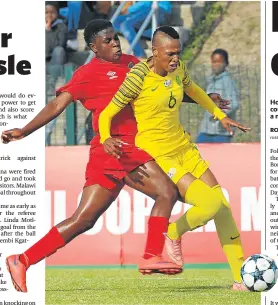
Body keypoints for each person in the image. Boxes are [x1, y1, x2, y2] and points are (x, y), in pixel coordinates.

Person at [2, 19, 183, 293]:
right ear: (93, 47)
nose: (115, 43)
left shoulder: (134, 64)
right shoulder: (87, 73)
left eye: (116, 38)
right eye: (108, 40)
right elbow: (58, 104)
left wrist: (202, 98)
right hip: (116, 149)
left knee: (83, 220)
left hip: (116, 151)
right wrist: (25, 131)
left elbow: (163, 89)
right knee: (167, 192)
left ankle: (22, 260)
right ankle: (151, 255)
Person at [98, 26, 251, 291]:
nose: (175, 58)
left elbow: (194, 91)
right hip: (161, 154)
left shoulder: (177, 69)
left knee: (222, 205)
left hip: (184, 147)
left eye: (177, 53)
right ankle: (172, 232)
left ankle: (240, 279)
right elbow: (106, 113)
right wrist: (105, 138)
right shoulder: (138, 77)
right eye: (169, 53)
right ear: (154, 52)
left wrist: (219, 114)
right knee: (211, 203)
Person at [196, 49, 239, 143]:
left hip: (221, 133)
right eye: (214, 62)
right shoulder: (211, 81)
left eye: (219, 61)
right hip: (206, 130)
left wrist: (219, 113)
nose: (216, 64)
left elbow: (234, 104)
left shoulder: (227, 82)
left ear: (226, 63)